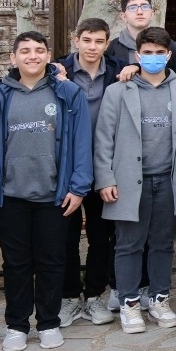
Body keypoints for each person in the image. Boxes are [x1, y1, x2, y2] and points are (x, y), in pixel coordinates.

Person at [95, 27, 176, 335]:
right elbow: (103, 139)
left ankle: (159, 299)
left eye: (159, 53)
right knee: (128, 244)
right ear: (137, 55)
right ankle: (129, 303)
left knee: (163, 243)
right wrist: (105, 178)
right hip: (129, 181)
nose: (153, 57)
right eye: (147, 52)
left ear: (168, 55)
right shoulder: (118, 91)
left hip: (170, 179)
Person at [0, 31, 94, 351]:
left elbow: (82, 142)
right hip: (10, 195)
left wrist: (79, 187)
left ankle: (49, 322)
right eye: (24, 50)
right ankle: (16, 325)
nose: (32, 56)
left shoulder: (67, 92)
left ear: (48, 55)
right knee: (16, 264)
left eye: (39, 50)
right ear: (13, 57)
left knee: (52, 262)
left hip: (54, 195)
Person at [58, 18, 121, 326]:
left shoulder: (118, 71)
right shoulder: (59, 70)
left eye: (99, 41)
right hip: (68, 167)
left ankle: (95, 295)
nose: (92, 47)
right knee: (65, 237)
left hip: (104, 165)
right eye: (87, 40)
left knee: (101, 236)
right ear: (76, 40)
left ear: (107, 44)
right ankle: (70, 297)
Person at [107, 0, 176, 76]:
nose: (139, 12)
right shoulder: (113, 47)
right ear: (123, 16)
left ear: (152, 13)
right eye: (133, 7)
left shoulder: (175, 49)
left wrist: (138, 67)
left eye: (145, 6)